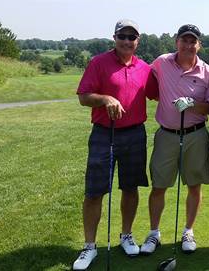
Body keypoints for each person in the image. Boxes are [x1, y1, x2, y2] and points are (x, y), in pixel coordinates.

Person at [72, 19, 158, 270]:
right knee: (94, 191)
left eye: (132, 37)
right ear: (114, 37)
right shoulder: (99, 63)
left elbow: (157, 93)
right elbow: (84, 97)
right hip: (104, 133)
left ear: (138, 41)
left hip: (135, 134)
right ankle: (90, 246)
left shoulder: (144, 67)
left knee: (131, 188)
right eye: (122, 36)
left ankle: (126, 235)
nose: (127, 41)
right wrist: (106, 98)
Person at [140, 24, 209, 255]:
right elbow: (143, 78)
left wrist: (193, 103)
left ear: (199, 45)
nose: (188, 45)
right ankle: (154, 233)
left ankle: (188, 231)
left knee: (194, 185)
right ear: (177, 42)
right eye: (184, 40)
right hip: (167, 134)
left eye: (192, 41)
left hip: (196, 134)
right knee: (159, 186)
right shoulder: (162, 62)